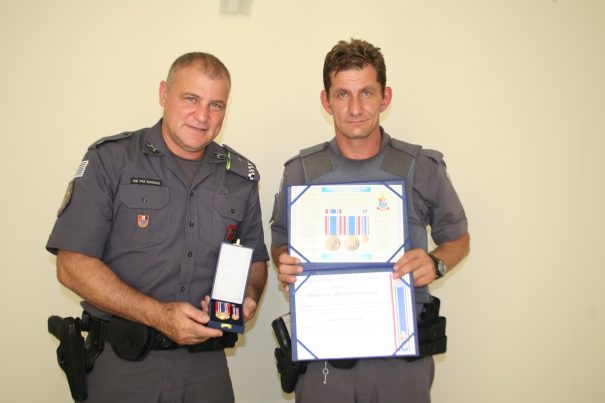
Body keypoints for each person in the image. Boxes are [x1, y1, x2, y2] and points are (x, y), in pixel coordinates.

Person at [46, 52, 269, 402]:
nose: (202, 116)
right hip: (124, 362)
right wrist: (158, 315)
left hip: (206, 367)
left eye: (216, 105)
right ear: (164, 93)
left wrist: (249, 296)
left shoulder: (239, 176)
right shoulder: (111, 160)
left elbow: (255, 259)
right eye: (191, 99)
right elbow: (71, 265)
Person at [270, 39, 470, 402]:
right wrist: (284, 260)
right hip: (325, 359)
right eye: (343, 94)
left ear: (385, 96)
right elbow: (280, 240)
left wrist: (436, 263)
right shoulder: (301, 171)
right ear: (326, 100)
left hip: (400, 362)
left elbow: (458, 238)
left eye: (366, 92)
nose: (356, 107)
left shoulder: (421, 167)